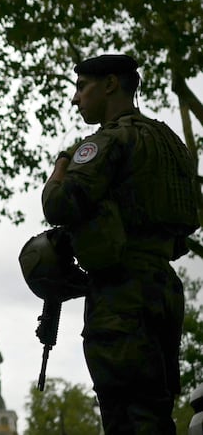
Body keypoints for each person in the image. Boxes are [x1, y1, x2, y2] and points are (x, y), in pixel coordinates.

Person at [42, 54, 199, 434]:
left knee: (125, 417)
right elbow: (185, 226)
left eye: (82, 87)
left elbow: (57, 204)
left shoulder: (107, 142)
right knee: (155, 410)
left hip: (120, 296)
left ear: (110, 84)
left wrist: (62, 162)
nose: (76, 99)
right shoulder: (172, 144)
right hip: (164, 289)